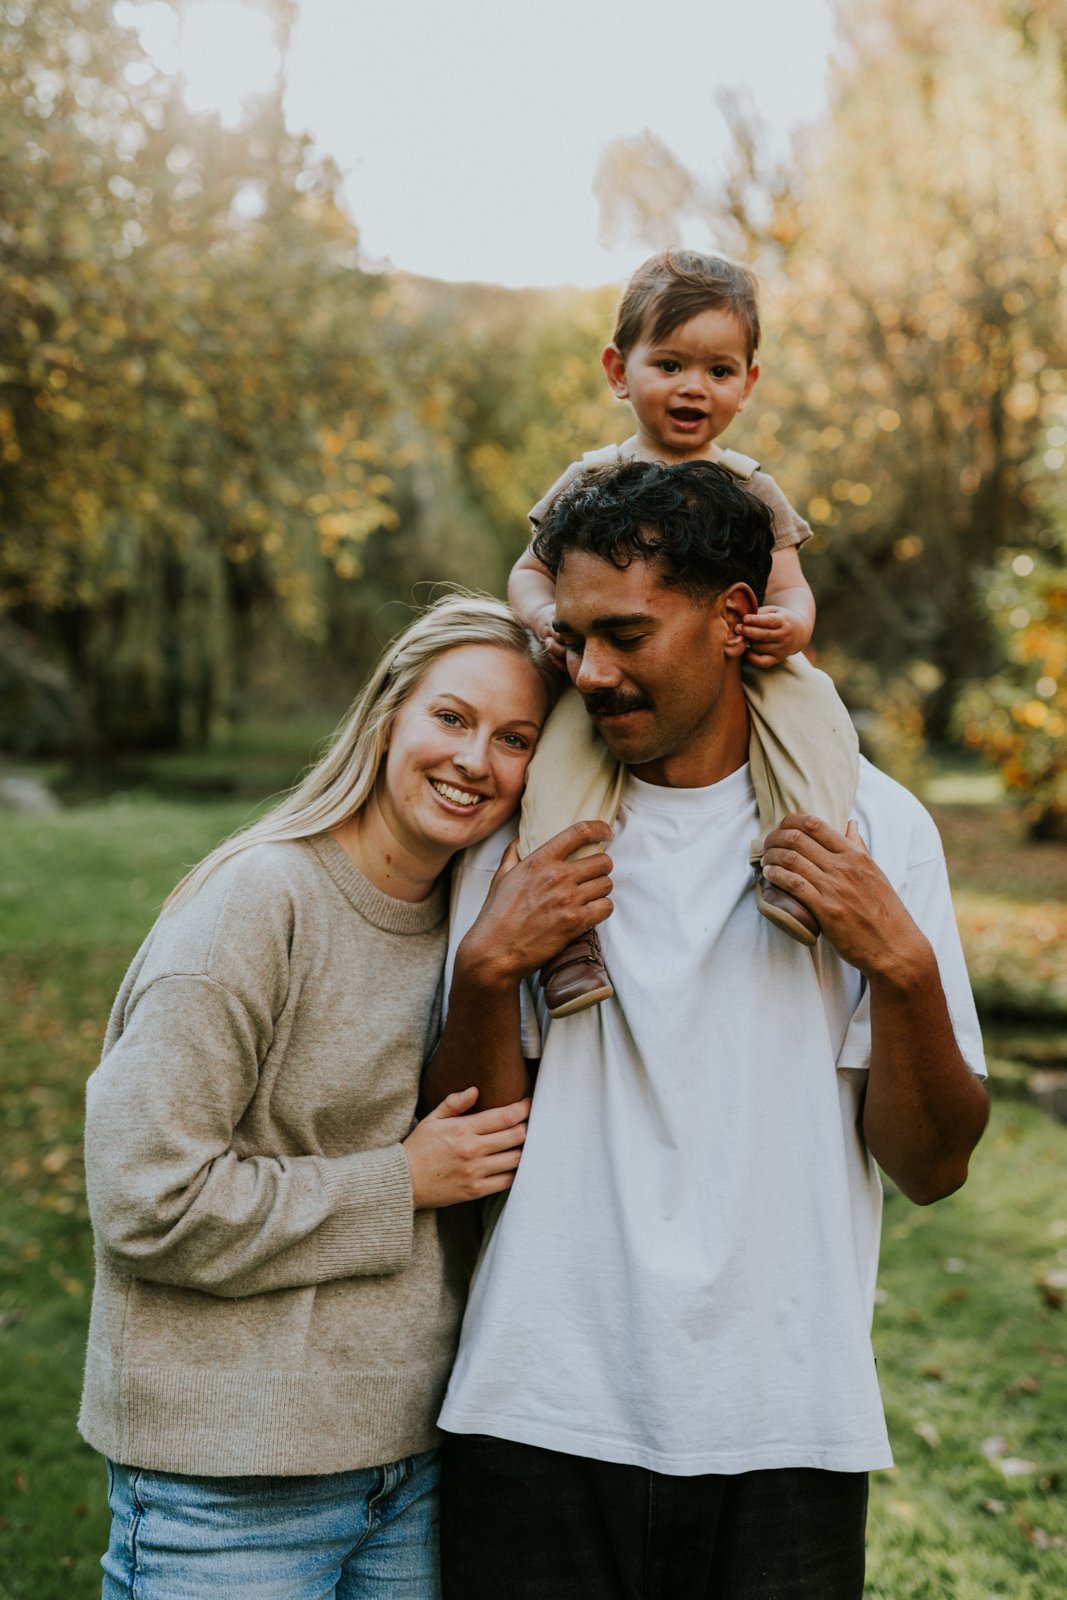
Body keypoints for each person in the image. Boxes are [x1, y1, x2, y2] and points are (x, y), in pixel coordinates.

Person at [426, 460, 989, 1600]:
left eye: (626, 634)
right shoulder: (525, 833)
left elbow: (930, 1166)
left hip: (783, 1421)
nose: (588, 672)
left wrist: (902, 966)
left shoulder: (869, 830)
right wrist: (488, 972)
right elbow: (469, 1168)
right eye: (573, 636)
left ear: (737, 619)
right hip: (535, 1410)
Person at [77, 592, 610, 1600]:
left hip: (408, 1473)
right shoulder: (257, 903)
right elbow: (147, 1198)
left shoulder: (473, 926)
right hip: (224, 1485)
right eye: (449, 718)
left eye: (513, 739)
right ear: (386, 718)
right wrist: (399, 1180)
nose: (473, 760)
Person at [509, 248, 858, 1016]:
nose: (693, 386)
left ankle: (799, 866)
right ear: (617, 369)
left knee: (818, 722)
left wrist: (786, 627)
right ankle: (566, 938)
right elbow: (530, 573)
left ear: (748, 384)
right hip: (606, 666)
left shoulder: (752, 489)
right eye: (667, 363)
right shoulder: (590, 481)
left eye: (719, 370)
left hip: (748, 665)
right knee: (562, 765)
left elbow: (793, 589)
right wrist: (542, 619)